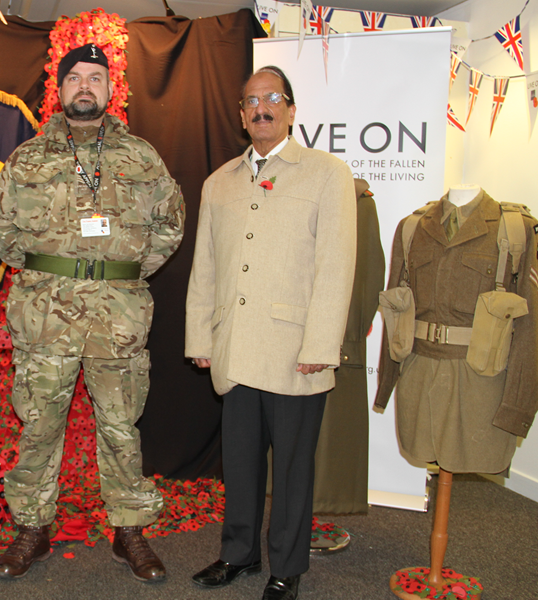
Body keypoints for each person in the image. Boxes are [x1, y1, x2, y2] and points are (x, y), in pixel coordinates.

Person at [0, 44, 184, 583]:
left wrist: (128, 273)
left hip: (117, 318)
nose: (86, 87)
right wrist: (47, 274)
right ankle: (32, 528)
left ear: (110, 89)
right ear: (61, 87)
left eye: (96, 77)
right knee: (39, 423)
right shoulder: (27, 159)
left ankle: (128, 532)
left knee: (120, 425)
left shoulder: (141, 158)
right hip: (46, 316)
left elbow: (170, 224)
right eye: (76, 78)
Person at [184, 66, 356, 600]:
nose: (262, 108)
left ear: (291, 109)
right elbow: (205, 267)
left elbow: (335, 266)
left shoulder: (327, 174)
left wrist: (321, 346)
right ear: (240, 115)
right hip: (235, 348)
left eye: (273, 98)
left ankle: (287, 565)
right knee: (239, 466)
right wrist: (200, 339)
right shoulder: (219, 182)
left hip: (293, 351)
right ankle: (238, 554)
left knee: (293, 470)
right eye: (251, 100)